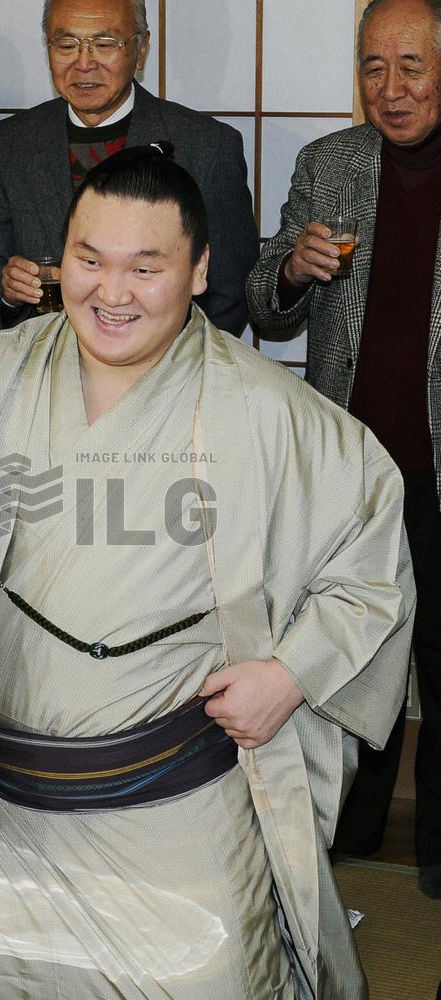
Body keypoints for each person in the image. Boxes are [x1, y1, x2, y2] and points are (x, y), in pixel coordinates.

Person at [0, 146, 413, 1000]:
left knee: (211, 973)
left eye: (147, 267)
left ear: (201, 268)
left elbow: (373, 567)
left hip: (174, 803)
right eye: (89, 260)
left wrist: (291, 675)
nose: (111, 292)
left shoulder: (272, 414)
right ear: (58, 257)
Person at [246, 0, 441, 898]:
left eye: (412, 65)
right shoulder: (329, 164)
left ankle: (435, 851)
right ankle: (345, 831)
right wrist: (290, 268)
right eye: (373, 67)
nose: (390, 89)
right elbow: (261, 304)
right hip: (349, 470)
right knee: (344, 652)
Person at [0, 0, 258, 336]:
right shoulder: (7, 143)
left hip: (164, 372)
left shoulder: (207, 146)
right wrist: (7, 291)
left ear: (141, 48)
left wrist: (172, 366)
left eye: (104, 45)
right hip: (41, 365)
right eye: (66, 45)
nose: (84, 63)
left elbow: (231, 286)